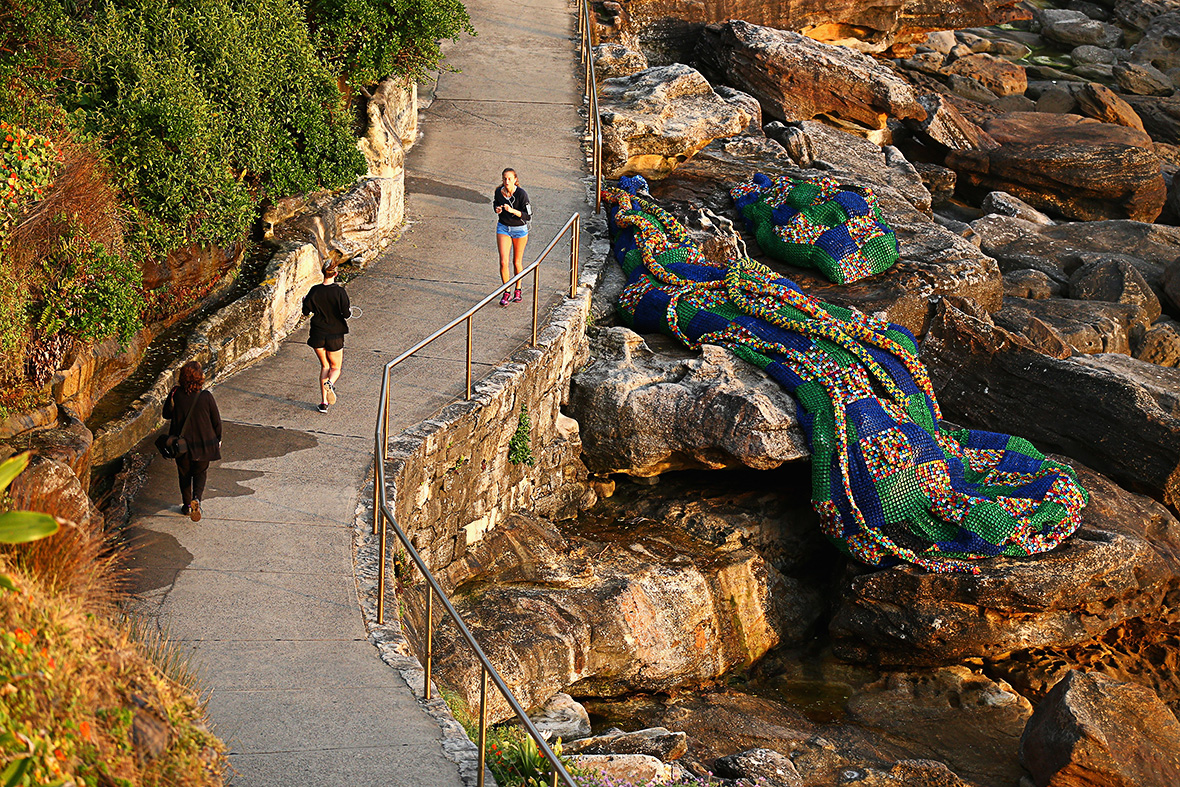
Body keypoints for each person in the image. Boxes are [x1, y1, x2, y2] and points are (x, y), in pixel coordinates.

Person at [163, 360, 221, 522]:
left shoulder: (176, 393)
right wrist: (218, 439)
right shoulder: (206, 397)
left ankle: (187, 505)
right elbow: (216, 421)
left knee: (184, 475)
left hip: (181, 445)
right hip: (204, 444)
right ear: (200, 378)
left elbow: (166, 414)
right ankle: (197, 499)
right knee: (200, 472)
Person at [302, 260, 350, 413]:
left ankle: (324, 403)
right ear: (336, 274)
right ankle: (330, 383)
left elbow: (305, 311)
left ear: (323, 273)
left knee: (324, 366)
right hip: (334, 334)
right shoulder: (339, 292)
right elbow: (346, 314)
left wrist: (305, 301)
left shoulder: (314, 290)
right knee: (336, 368)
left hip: (317, 334)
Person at [493, 167, 532, 306]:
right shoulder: (498, 192)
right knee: (504, 261)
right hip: (503, 227)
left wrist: (513, 211)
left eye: (509, 179)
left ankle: (518, 289)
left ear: (515, 180)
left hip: (519, 229)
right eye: (504, 179)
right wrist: (497, 209)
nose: (507, 181)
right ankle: (506, 291)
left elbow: (528, 216)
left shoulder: (522, 194)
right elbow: (495, 204)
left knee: (516, 262)